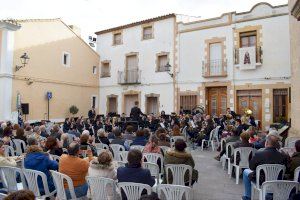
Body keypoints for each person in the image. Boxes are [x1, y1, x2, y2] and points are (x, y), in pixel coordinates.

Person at [242, 135, 289, 200]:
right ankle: (269, 194)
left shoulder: (259, 154)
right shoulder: (283, 156)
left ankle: (247, 197)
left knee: (245, 171)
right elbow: (286, 170)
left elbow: (251, 167)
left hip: (261, 181)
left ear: (266, 143)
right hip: (277, 182)